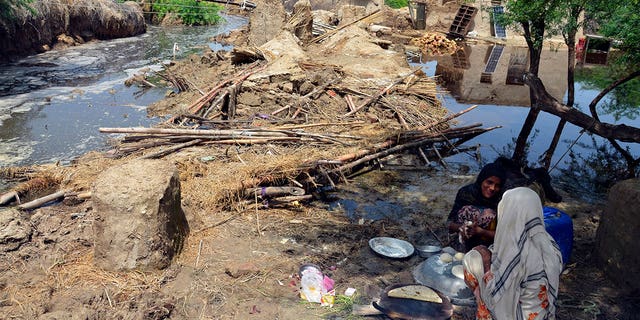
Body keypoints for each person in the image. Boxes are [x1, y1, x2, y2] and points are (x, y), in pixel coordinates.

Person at [462, 187, 563, 320]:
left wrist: (486, 264)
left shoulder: (518, 255)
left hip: (514, 315)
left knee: (473, 258)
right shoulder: (548, 243)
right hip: (540, 315)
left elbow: (497, 300)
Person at [447, 162, 505, 251]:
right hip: (464, 238)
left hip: (490, 244)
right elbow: (449, 224)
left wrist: (480, 231)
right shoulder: (466, 193)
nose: (492, 188)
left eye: (497, 185)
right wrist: (462, 228)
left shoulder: (502, 200)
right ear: (481, 180)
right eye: (489, 182)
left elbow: (504, 235)